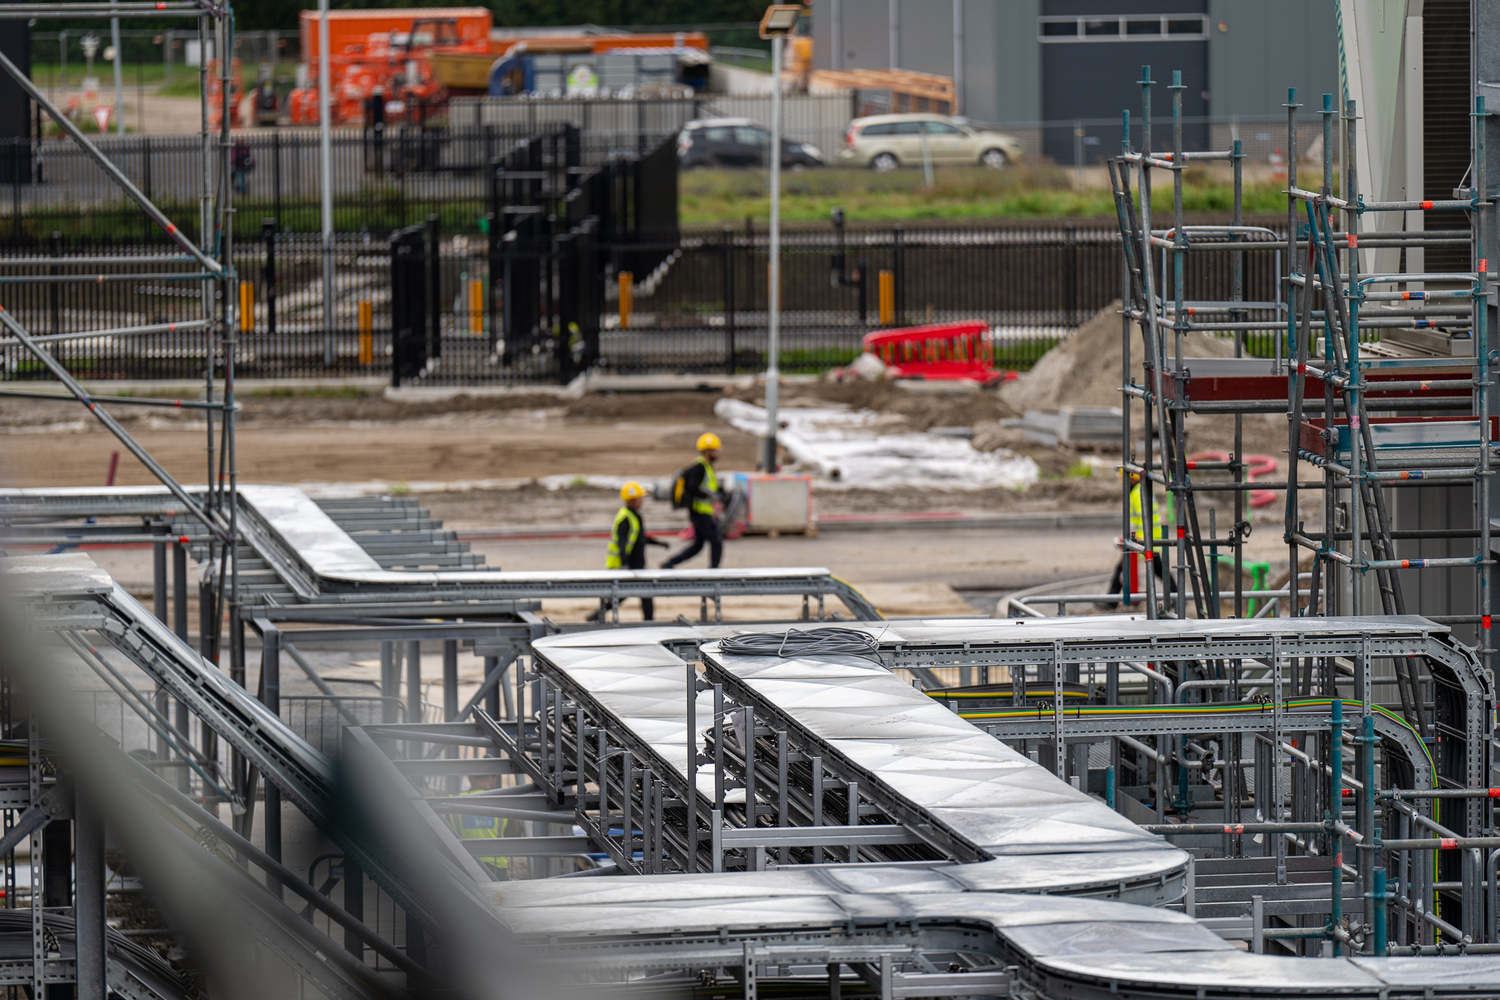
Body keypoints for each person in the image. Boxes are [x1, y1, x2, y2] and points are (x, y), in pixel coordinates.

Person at [589, 480, 668, 621]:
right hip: (627, 564)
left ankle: (596, 616)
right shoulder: (625, 517)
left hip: (635, 564)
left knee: (638, 594)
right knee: (635, 594)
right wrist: (625, 565)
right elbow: (622, 542)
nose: (642, 501)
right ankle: (648, 622)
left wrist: (658, 543)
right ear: (631, 500)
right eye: (639, 498)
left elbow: (639, 538)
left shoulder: (634, 515)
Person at [1105, 470, 1174, 607]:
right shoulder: (1139, 490)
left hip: (1145, 539)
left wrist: (1139, 538)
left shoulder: (1137, 493)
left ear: (1132, 479)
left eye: (1123, 479)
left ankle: (1111, 601)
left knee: (1154, 569)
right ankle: (1111, 601)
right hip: (1145, 537)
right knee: (1129, 567)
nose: (1122, 482)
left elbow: (1144, 517)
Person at [663, 433, 729, 570]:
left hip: (703, 512)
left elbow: (710, 486)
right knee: (716, 542)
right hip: (700, 512)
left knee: (698, 545)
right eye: (715, 450)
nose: (717, 453)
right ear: (707, 451)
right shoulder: (699, 467)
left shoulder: (706, 467)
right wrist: (709, 496)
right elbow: (692, 487)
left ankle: (669, 563)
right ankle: (714, 572)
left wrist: (719, 493)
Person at [447, 772, 518, 880]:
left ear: (470, 778)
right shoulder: (503, 802)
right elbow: (515, 835)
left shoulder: (452, 801)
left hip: (463, 868)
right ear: (492, 778)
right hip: (496, 868)